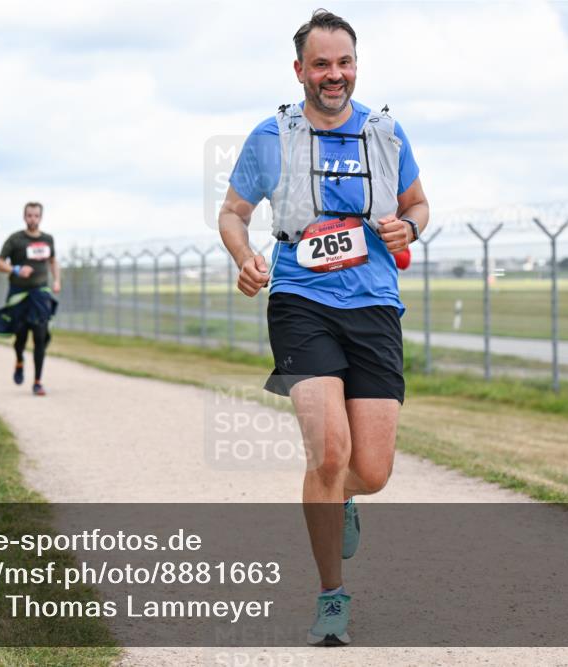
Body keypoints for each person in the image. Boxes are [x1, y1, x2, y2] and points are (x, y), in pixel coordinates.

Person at [217, 9, 429, 647]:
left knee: (372, 468)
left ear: (355, 66)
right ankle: (332, 595)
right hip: (301, 301)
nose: (333, 75)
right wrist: (246, 258)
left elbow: (418, 203)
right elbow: (232, 213)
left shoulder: (388, 133)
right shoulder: (272, 136)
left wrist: (409, 227)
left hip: (373, 307)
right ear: (299, 70)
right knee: (329, 453)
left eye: (344, 63)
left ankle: (341, 500)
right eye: (321, 64)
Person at [0, 202, 60, 396]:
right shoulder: (15, 239)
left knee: (40, 336)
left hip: (40, 294)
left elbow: (53, 261)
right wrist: (16, 269)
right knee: (20, 337)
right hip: (19, 295)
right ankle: (19, 360)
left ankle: (38, 382)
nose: (33, 219)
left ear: (41, 217)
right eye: (29, 215)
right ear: (24, 217)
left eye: (36, 216)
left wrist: (57, 281)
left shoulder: (48, 239)